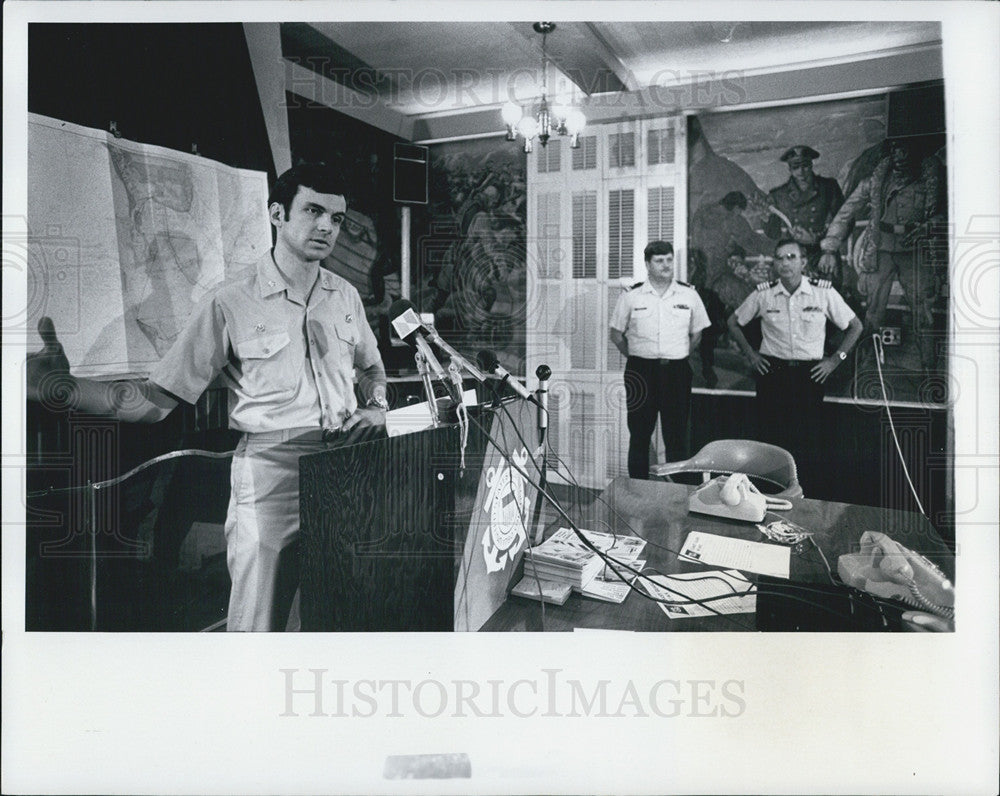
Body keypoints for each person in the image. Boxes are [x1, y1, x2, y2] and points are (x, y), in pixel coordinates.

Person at [27, 163, 390, 631]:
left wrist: (376, 406)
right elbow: (153, 401)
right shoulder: (230, 301)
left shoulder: (346, 297)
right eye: (314, 210)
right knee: (258, 624)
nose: (326, 226)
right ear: (277, 214)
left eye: (336, 219)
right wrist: (55, 387)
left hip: (345, 466)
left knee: (335, 613)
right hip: (270, 473)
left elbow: (373, 369)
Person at [727, 239, 862, 481]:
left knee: (808, 440)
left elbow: (855, 326)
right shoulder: (764, 294)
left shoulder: (823, 293)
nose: (785, 263)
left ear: (803, 262)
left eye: (791, 257)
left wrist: (834, 360)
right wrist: (751, 354)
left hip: (809, 375)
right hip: (772, 373)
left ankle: (805, 499)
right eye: (779, 257)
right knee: (771, 439)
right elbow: (733, 323)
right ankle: (771, 494)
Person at [819, 136, 946, 371]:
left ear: (917, 151)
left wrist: (928, 227)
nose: (900, 155)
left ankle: (929, 370)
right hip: (880, 250)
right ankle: (865, 364)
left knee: (923, 312)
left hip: (915, 250)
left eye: (906, 149)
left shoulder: (934, 182)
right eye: (895, 149)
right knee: (873, 311)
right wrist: (829, 247)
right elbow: (846, 213)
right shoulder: (875, 182)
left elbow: (948, 214)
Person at [609, 241, 710, 479]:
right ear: (647, 264)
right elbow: (615, 335)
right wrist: (637, 356)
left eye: (668, 259)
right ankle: (637, 489)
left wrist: (678, 353)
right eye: (659, 261)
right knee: (640, 435)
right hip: (640, 371)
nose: (665, 265)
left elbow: (697, 334)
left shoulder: (689, 294)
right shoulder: (631, 297)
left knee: (676, 437)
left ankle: (677, 494)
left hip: (676, 372)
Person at [689, 191, 774, 386]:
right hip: (718, 279)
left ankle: (706, 372)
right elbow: (754, 242)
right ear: (736, 209)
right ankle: (757, 359)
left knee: (706, 329)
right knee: (750, 305)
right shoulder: (732, 220)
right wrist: (785, 246)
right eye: (740, 212)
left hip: (700, 280)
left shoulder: (702, 213)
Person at [765, 145, 845, 281]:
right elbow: (773, 234)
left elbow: (844, 220)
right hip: (792, 257)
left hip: (823, 254)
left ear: (811, 165)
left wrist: (816, 239)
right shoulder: (778, 195)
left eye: (805, 166)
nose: (801, 171)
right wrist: (765, 218)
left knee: (826, 297)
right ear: (790, 169)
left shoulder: (829, 187)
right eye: (796, 167)